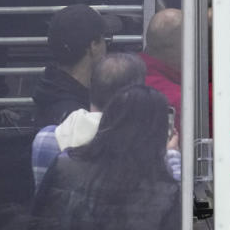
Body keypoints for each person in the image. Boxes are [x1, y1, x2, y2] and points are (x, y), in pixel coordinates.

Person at [30, 85, 181, 230]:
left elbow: (38, 219)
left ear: (107, 119)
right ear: (158, 133)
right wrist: (172, 157)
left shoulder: (63, 163)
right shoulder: (165, 189)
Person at [30, 53, 178, 192]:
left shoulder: (45, 139)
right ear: (136, 96)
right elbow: (175, 201)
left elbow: (43, 199)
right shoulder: (141, 150)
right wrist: (171, 154)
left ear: (91, 85)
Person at [139, 7, 230, 175]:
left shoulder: (126, 72)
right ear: (180, 47)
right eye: (194, 42)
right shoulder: (182, 101)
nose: (197, 47)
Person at [32, 5, 120, 129]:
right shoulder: (78, 119)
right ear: (93, 46)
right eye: (105, 40)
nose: (106, 47)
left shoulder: (50, 92)